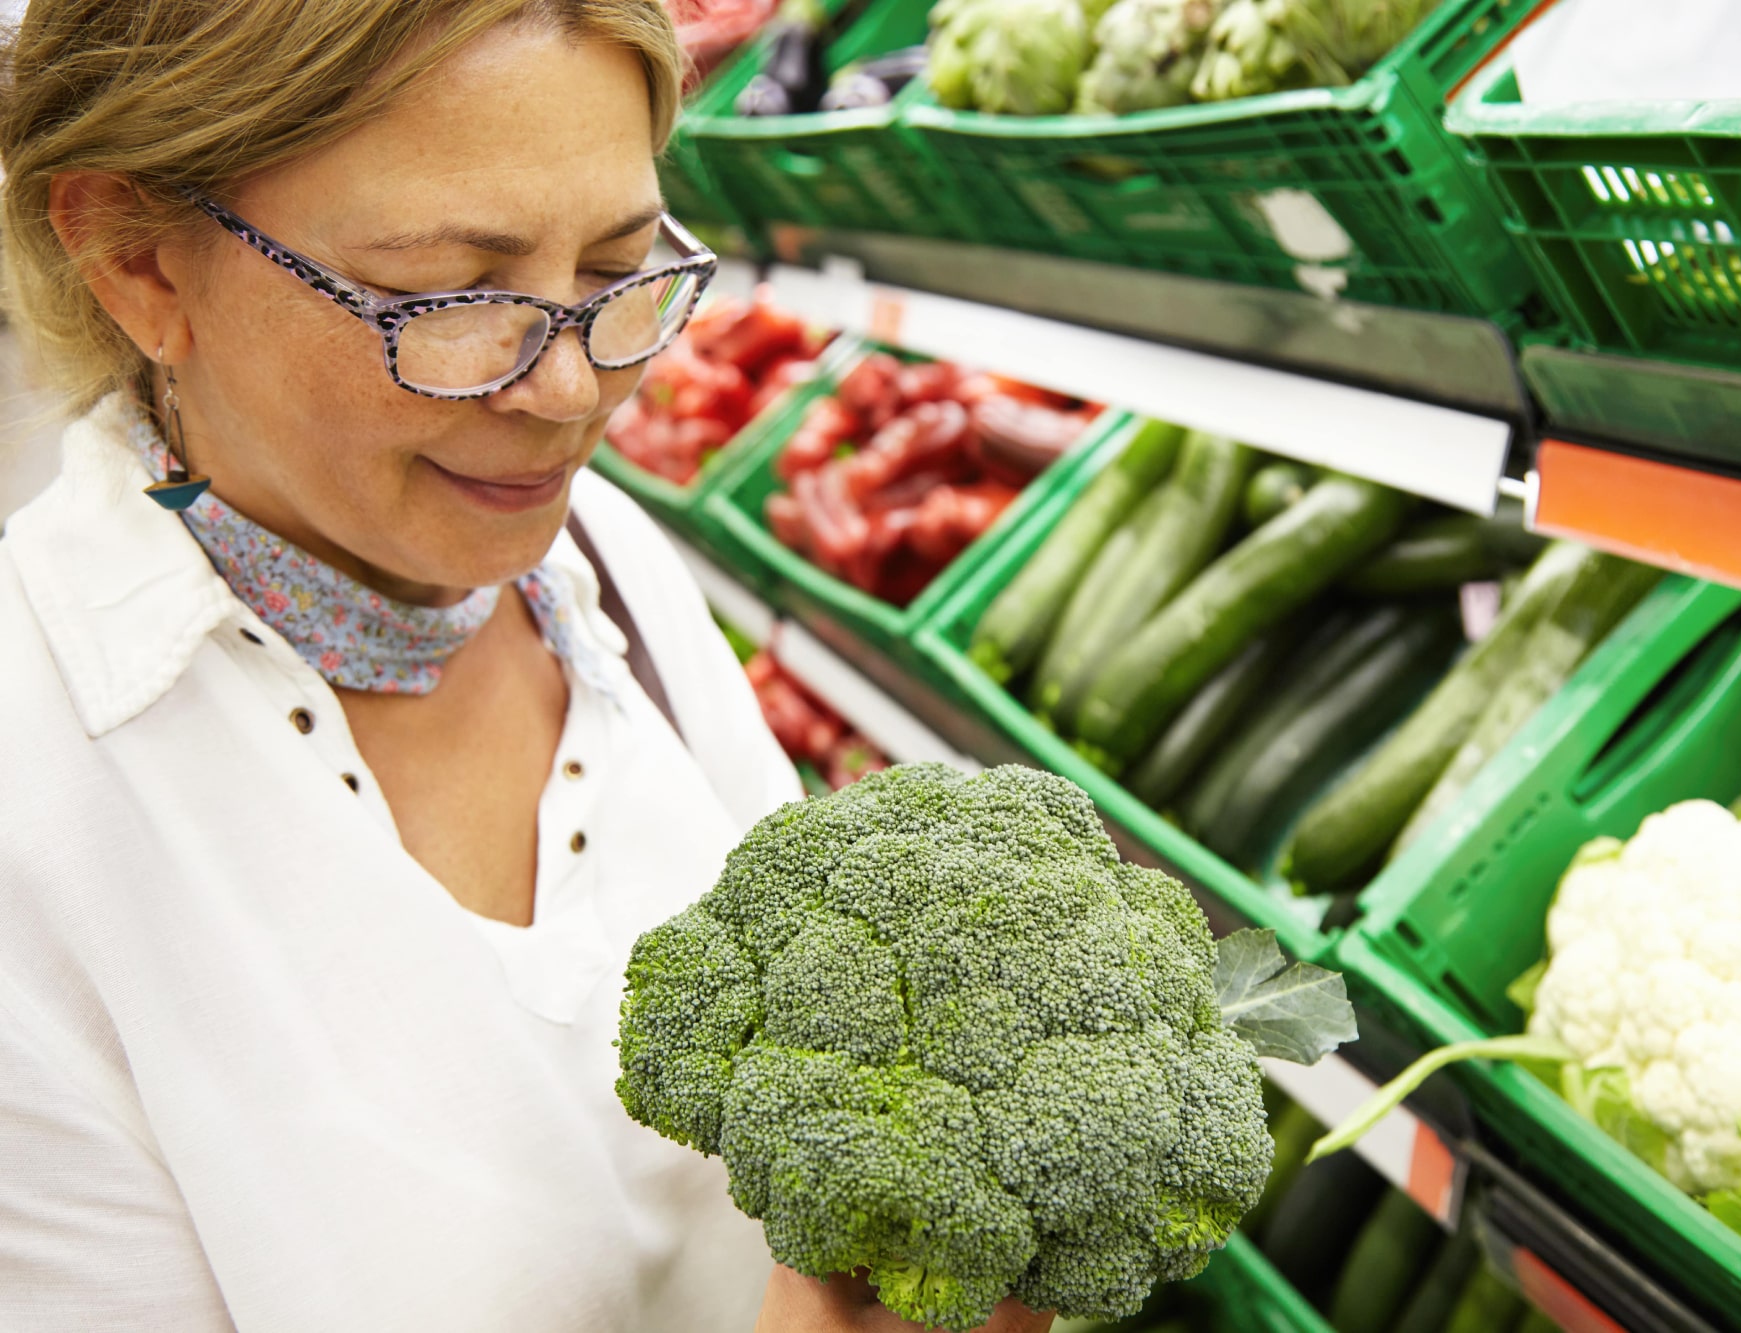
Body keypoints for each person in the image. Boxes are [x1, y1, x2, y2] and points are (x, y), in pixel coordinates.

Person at [0, 3, 1051, 1330]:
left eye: (616, 271)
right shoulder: (35, 824)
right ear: (135, 255)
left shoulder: (600, 565)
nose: (567, 393)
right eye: (450, 293)